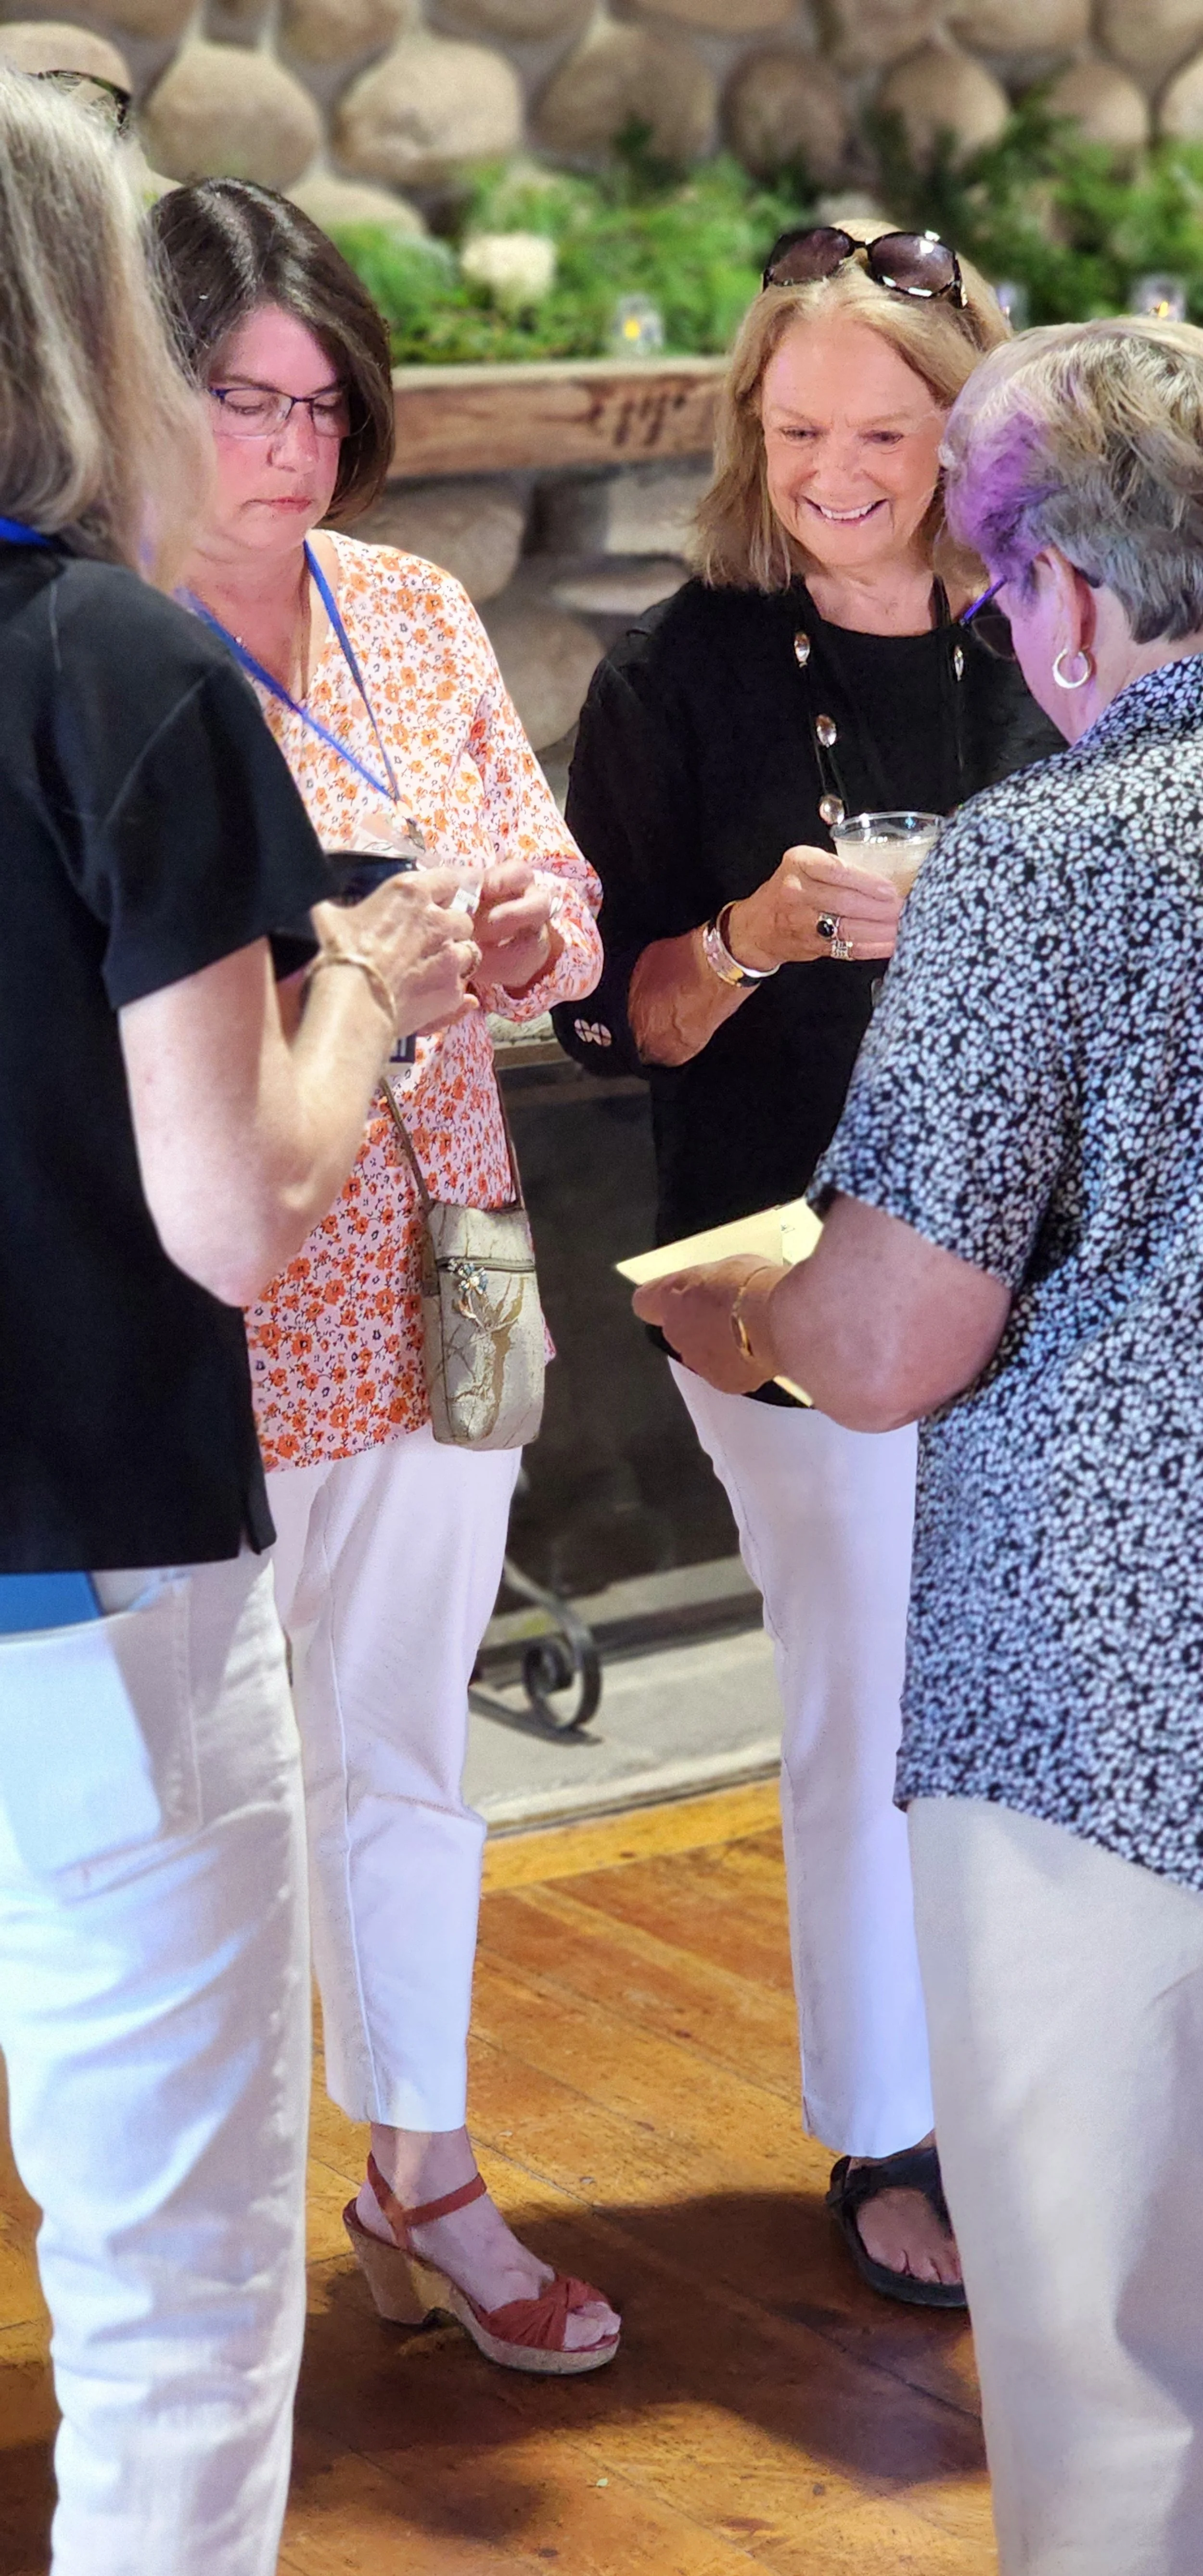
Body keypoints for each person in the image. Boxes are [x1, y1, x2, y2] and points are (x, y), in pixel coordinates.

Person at [634, 312, 1203, 2574]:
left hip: (1099, 1682)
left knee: (1104, 2346)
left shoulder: (1041, 855)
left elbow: (885, 1342)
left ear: (1058, 591)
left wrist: (738, 1298)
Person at [0, 66, 478, 2576]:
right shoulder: (111, 666)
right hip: (96, 1581)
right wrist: (377, 974)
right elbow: (233, 1205)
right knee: (170, 2298)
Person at [554, 219, 1061, 2302]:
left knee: (1034, 1695)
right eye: (793, 428)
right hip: (778, 1268)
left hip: (1046, 1262)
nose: (835, 471)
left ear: (974, 435)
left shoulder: (1056, 638)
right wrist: (758, 934)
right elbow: (614, 1023)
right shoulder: (671, 675)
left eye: (885, 429)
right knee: (866, 1692)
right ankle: (888, 2132)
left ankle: (1045, 2094)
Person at [149, 178, 620, 2375]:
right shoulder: (90, 645)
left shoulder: (417, 611)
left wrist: (532, 939)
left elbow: (553, 886)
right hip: (211, 1292)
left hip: (453, 1251)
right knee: (206, 1794)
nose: (291, 445)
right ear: (136, 390)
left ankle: (421, 2167)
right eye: (246, 397)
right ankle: (209, 2223)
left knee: (409, 1749)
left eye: (326, 401)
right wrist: (348, 965)